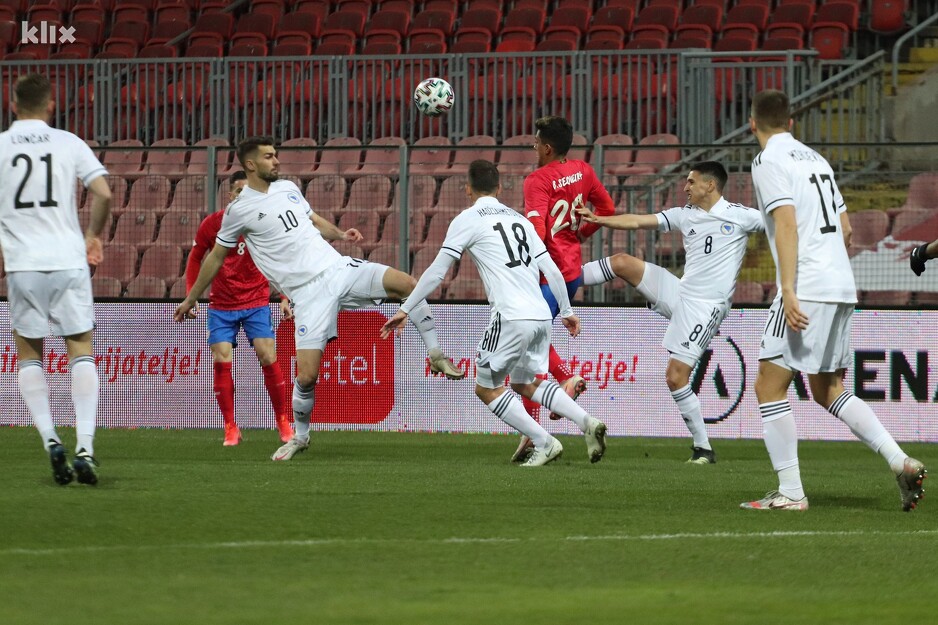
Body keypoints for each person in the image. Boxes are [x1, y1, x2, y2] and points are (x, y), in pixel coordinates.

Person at [174, 136, 463, 461]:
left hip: (339, 269)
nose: (276, 161)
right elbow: (213, 258)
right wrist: (191, 297)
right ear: (251, 164)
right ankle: (300, 435)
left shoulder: (288, 188)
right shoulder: (238, 211)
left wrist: (339, 234)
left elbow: (311, 220)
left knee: (408, 283)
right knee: (307, 376)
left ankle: (436, 353)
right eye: (269, 157)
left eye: (276, 155)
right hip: (307, 295)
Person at [743, 89, 926, 511]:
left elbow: (785, 224)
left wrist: (788, 289)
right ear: (791, 122)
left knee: (768, 386)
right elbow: (845, 229)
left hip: (806, 287)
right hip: (841, 284)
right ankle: (900, 461)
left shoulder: (768, 160)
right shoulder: (816, 159)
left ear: (753, 123)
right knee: (827, 388)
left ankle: (790, 492)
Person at [381, 160, 607, 466]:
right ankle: (587, 423)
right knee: (525, 382)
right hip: (541, 314)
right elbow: (551, 268)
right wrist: (566, 310)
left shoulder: (467, 218)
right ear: (500, 188)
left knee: (486, 387)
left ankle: (544, 442)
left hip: (511, 315)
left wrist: (406, 307)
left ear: (467, 189)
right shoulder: (522, 220)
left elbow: (437, 273)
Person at [576, 162, 765, 464]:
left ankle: (703, 448)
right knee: (623, 261)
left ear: (710, 186)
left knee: (676, 377)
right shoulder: (684, 214)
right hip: (681, 293)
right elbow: (638, 222)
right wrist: (599, 218)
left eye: (691, 182)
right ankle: (563, 278)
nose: (685, 187)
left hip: (705, 307)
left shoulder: (741, 216)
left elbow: (782, 226)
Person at [0, 74, 111, 485]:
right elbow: (103, 193)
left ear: (13, 105)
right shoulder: (69, 142)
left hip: (23, 263)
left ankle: (50, 440)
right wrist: (93, 236)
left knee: (30, 353)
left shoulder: (0, 147)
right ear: (51, 106)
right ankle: (85, 447)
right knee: (80, 348)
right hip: (67, 260)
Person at [512, 115, 616, 462]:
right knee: (530, 346)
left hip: (546, 275)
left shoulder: (536, 180)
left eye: (535, 141)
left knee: (524, 352)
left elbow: (538, 232)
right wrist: (578, 235)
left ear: (547, 147)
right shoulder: (584, 171)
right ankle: (542, 418)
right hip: (570, 273)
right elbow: (607, 209)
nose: (532, 146)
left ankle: (537, 428)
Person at [184, 170, 294, 446]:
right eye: (237, 191)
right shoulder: (213, 224)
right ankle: (230, 427)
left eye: (248, 191)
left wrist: (283, 297)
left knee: (267, 355)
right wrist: (191, 295)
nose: (242, 196)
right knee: (221, 359)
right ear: (230, 194)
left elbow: (278, 259)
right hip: (222, 304)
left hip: (256, 301)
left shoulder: (263, 223)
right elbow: (196, 258)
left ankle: (283, 421)